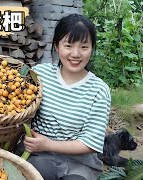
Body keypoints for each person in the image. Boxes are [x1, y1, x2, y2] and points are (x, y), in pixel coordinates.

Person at [15, 14, 111, 180]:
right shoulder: (40, 75)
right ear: (57, 46)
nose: (75, 54)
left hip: (79, 163)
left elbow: (91, 143)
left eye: (84, 47)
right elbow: (15, 102)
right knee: (40, 171)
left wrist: (48, 144)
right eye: (68, 45)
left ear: (92, 48)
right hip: (38, 155)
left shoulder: (99, 90)